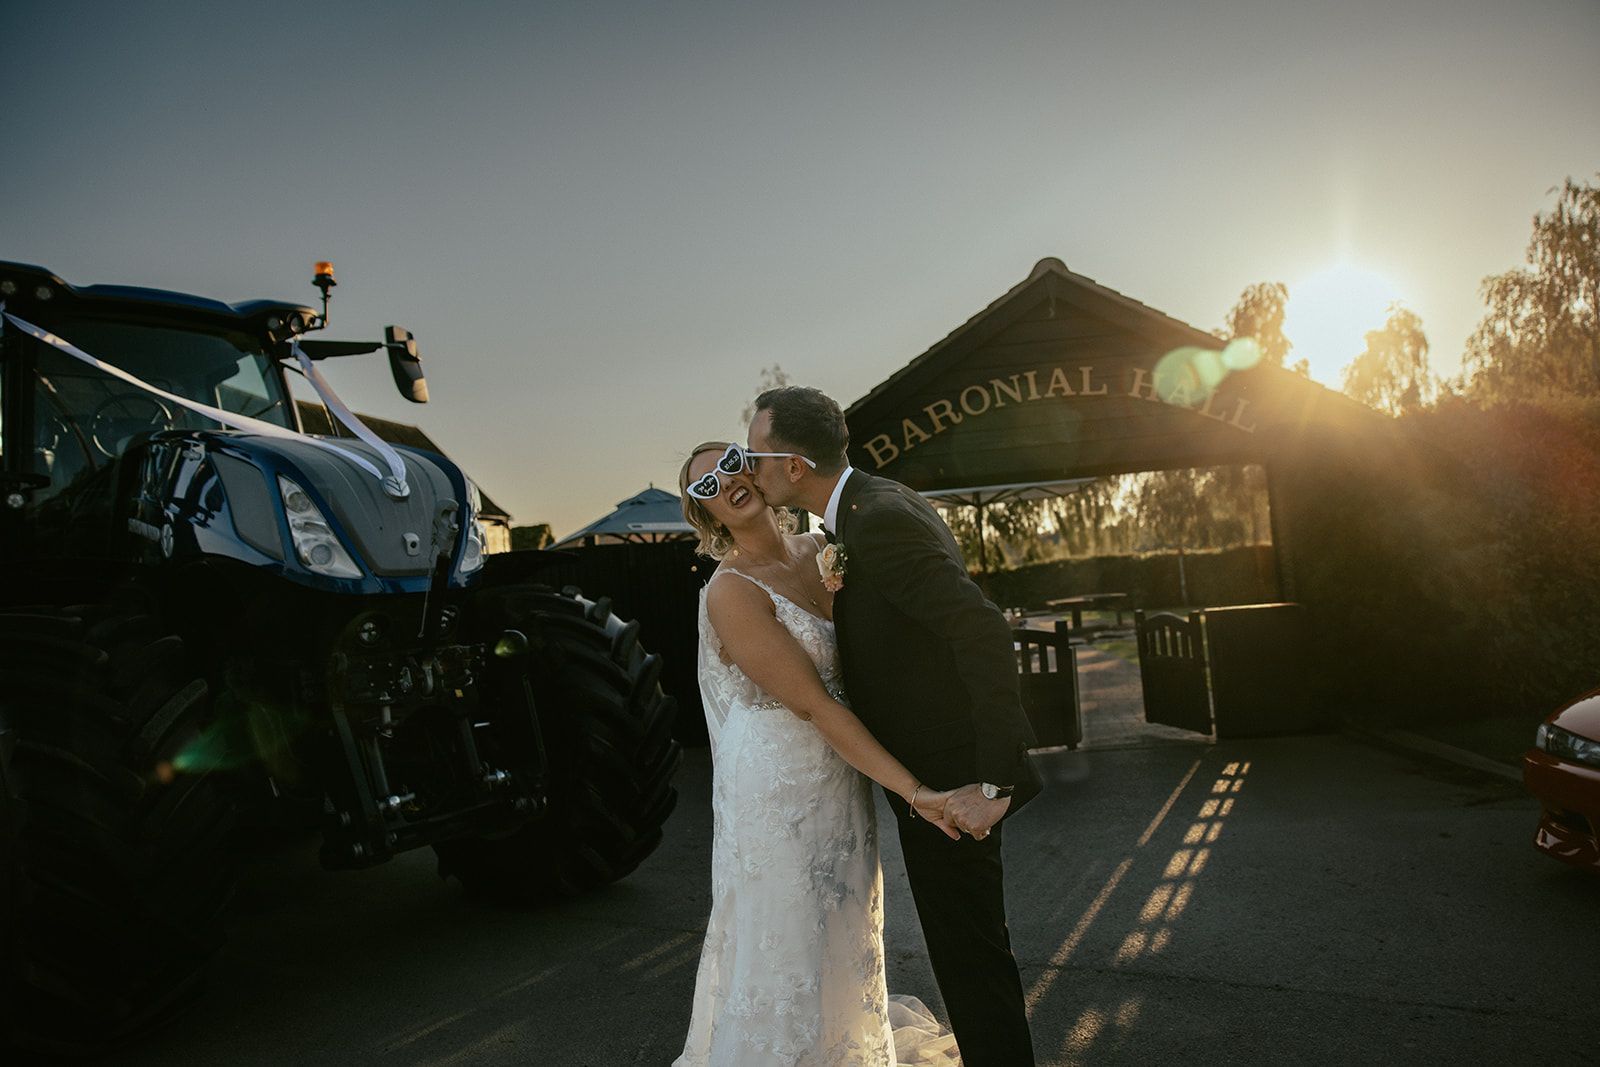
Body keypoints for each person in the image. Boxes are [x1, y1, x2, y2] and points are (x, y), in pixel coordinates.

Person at [746, 387, 1043, 1067]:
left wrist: (994, 779)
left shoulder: (875, 518)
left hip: (952, 779)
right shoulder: (871, 505)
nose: (751, 470)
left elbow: (981, 629)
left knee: (971, 958)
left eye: (758, 455)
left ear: (794, 465)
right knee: (970, 953)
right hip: (934, 770)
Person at [673, 441, 961, 1067]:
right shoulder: (729, 593)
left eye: (729, 464)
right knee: (792, 932)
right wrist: (917, 793)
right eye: (705, 487)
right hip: (778, 778)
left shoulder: (823, 549)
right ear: (707, 515)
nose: (724, 483)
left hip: (840, 771)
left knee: (849, 918)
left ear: (754, 467)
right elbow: (813, 704)